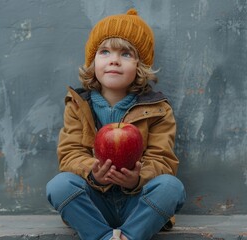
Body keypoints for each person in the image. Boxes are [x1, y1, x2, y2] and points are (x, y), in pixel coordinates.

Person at [46, 8, 186, 240]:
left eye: (126, 54)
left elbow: (163, 160)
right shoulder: (78, 105)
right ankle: (101, 236)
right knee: (59, 186)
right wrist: (94, 174)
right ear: (93, 61)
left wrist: (137, 179)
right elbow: (70, 155)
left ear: (140, 65)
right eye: (104, 52)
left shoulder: (158, 109)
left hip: (139, 204)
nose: (114, 60)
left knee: (171, 187)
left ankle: (130, 236)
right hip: (94, 204)